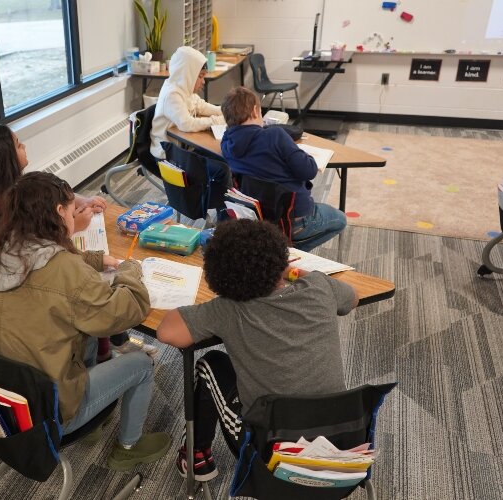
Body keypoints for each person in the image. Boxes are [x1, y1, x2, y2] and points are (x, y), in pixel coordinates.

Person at [0, 171, 172, 471]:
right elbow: (127, 310)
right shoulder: (65, 270)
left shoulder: (2, 254)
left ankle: (96, 413)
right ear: (59, 212)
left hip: (8, 398)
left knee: (86, 333)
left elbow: (48, 267)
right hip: (52, 410)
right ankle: (128, 448)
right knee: (142, 363)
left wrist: (97, 260)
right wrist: (130, 271)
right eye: (72, 212)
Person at [156, 218, 358, 480]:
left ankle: (196, 454)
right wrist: (292, 273)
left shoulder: (228, 309)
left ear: (218, 276)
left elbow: (165, 332)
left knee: (210, 363)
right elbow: (352, 298)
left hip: (270, 454)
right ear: (280, 259)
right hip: (342, 445)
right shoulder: (319, 287)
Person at [0, 123, 107, 291]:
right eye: (19, 145)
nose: (24, 146)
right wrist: (75, 224)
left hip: (14, 275)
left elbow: (50, 193)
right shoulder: (0, 204)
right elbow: (41, 247)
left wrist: (82, 201)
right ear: (5, 158)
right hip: (7, 288)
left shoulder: (8, 187)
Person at [220, 86, 347, 252]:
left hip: (257, 216)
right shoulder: (275, 136)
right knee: (340, 219)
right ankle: (284, 252)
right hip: (293, 218)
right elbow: (309, 170)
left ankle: (276, 250)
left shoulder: (226, 143)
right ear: (255, 110)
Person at [150, 45, 225, 159]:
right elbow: (186, 124)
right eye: (200, 76)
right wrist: (215, 121)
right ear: (187, 74)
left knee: (214, 160)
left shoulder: (184, 88)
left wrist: (225, 111)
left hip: (181, 147)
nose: (203, 81)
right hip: (166, 153)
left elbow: (201, 106)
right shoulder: (172, 94)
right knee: (216, 162)